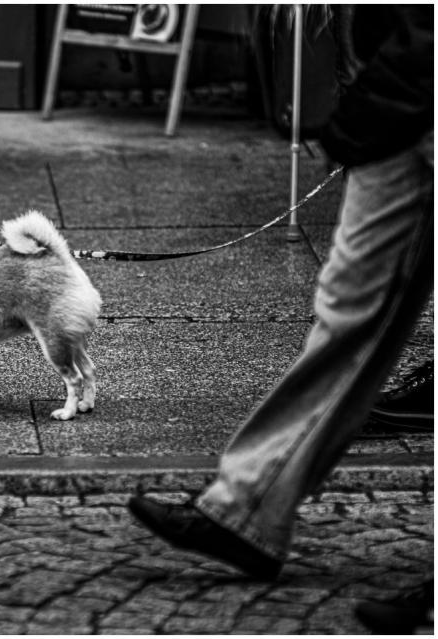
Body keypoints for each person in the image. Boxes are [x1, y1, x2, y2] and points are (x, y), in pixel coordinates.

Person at [128, 3, 433, 587]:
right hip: (395, 93)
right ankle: (246, 509)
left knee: (352, 309)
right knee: (349, 306)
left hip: (406, 83)